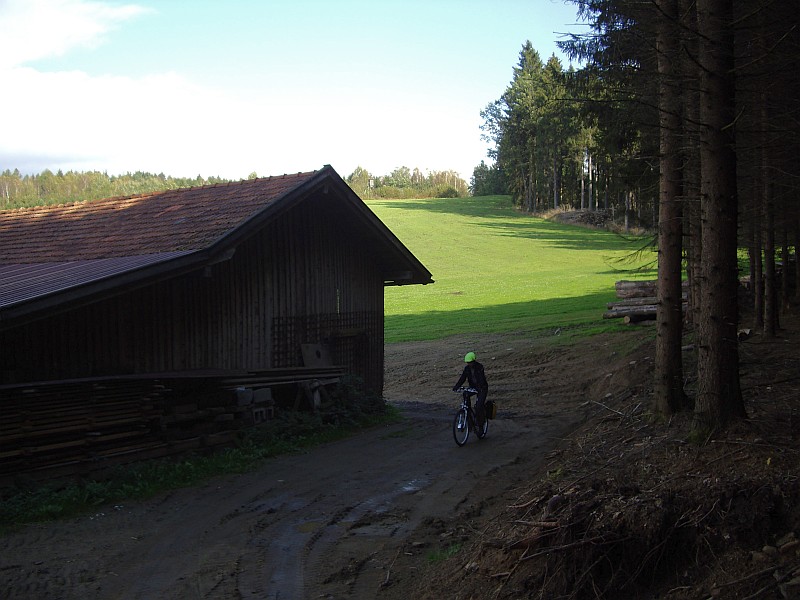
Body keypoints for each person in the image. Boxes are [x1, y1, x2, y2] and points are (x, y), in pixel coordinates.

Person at [453, 351, 489, 426]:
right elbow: (463, 378)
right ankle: (468, 415)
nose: (469, 364)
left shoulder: (479, 367)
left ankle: (481, 425)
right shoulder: (467, 368)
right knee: (465, 394)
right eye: (468, 362)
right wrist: (457, 386)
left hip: (482, 388)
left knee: (479, 407)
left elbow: (481, 378)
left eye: (470, 362)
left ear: (474, 361)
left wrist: (480, 387)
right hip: (473, 387)